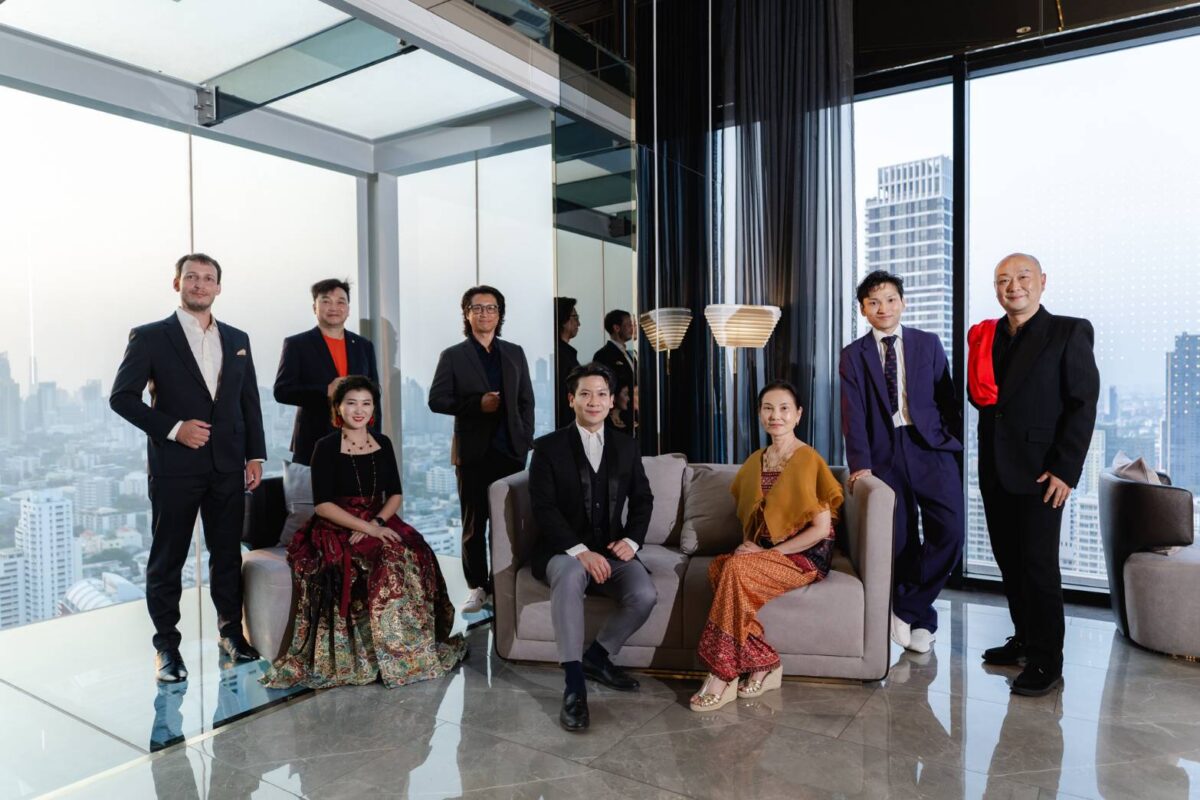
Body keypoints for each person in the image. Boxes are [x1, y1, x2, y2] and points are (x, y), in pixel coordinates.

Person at [110, 253, 267, 683]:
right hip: (175, 466)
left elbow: (248, 400)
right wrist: (175, 429)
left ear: (219, 287)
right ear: (176, 283)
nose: (200, 284)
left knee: (226, 556)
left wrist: (255, 455)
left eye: (208, 278)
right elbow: (122, 398)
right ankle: (167, 647)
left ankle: (231, 634)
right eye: (192, 277)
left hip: (228, 465)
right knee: (168, 559)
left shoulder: (237, 338)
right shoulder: (150, 336)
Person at [264, 375, 466, 688]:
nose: (359, 410)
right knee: (386, 557)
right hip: (338, 523)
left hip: (378, 517)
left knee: (415, 551)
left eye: (366, 403)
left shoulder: (382, 443)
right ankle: (384, 655)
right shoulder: (325, 447)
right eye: (351, 403)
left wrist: (379, 524)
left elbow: (395, 495)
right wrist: (365, 528)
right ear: (338, 408)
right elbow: (323, 506)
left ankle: (413, 646)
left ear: (373, 409)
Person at [969, 253, 1098, 696]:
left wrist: (1065, 470)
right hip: (995, 468)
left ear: (1042, 280)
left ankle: (1047, 660)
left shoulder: (1068, 331)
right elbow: (985, 401)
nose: (1013, 286)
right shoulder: (987, 336)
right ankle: (1024, 638)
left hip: (1043, 473)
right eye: (1003, 280)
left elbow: (1082, 405)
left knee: (1039, 566)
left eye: (1022, 277)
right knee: (1009, 560)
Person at [691, 381, 843, 711]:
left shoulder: (808, 460)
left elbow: (820, 530)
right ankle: (764, 663)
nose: (776, 416)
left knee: (734, 569)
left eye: (784, 408)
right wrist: (755, 549)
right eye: (768, 408)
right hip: (766, 553)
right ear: (760, 414)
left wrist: (767, 553)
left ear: (798, 415)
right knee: (719, 567)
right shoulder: (755, 461)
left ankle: (722, 673)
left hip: (804, 557)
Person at [839, 270, 963, 654]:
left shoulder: (928, 343)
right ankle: (923, 621)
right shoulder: (853, 355)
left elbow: (947, 396)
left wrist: (950, 441)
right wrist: (860, 463)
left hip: (931, 447)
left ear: (903, 303)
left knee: (951, 532)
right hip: (884, 452)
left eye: (891, 300)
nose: (884, 308)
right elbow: (853, 412)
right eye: (874, 302)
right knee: (901, 539)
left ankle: (906, 606)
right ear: (863, 310)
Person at [528, 362, 656, 731]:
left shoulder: (627, 446)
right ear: (571, 399)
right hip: (562, 551)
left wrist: (631, 541)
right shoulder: (547, 448)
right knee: (570, 577)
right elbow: (544, 509)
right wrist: (579, 551)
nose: (594, 401)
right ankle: (574, 685)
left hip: (611, 550)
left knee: (644, 594)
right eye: (585, 394)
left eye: (601, 394)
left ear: (612, 400)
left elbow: (643, 499)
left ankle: (597, 657)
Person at [428, 285, 534, 613]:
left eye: (491, 308)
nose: (485, 313)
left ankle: (503, 584)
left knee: (508, 524)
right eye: (478, 308)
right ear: (467, 314)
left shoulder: (514, 352)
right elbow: (436, 400)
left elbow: (526, 400)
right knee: (475, 525)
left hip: (510, 451)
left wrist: (524, 439)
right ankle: (477, 587)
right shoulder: (453, 355)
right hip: (473, 453)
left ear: (499, 314)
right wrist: (477, 404)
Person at [274, 278, 379, 466]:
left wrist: (374, 439)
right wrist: (325, 390)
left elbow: (374, 395)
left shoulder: (364, 346)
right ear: (314, 307)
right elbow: (282, 391)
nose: (334, 307)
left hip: (358, 443)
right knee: (314, 487)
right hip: (313, 443)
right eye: (326, 301)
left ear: (348, 309)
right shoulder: (297, 344)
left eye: (340, 302)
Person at [592, 309, 637, 432]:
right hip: (616, 418)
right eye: (629, 324)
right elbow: (603, 386)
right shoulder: (603, 355)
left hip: (632, 414)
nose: (632, 328)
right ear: (617, 328)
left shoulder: (630, 355)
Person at [554, 296, 581, 429]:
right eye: (575, 317)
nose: (578, 323)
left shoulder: (566, 353)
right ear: (564, 321)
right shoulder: (560, 355)